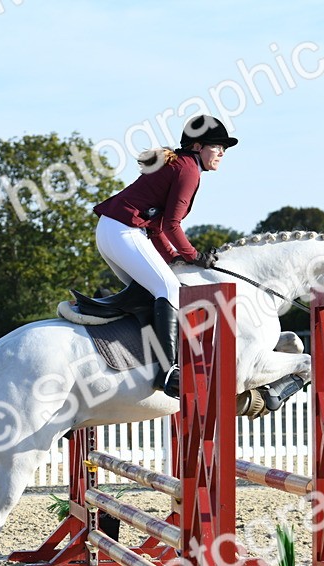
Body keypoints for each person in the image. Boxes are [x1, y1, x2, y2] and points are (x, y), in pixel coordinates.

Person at [92, 114, 238, 398]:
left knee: (150, 292)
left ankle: (136, 360)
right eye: (217, 146)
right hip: (124, 231)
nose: (221, 153)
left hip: (112, 230)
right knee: (169, 288)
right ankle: (169, 370)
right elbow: (172, 224)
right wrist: (193, 255)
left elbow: (158, 228)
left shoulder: (181, 164)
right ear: (197, 146)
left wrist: (173, 257)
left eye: (224, 148)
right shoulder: (188, 169)